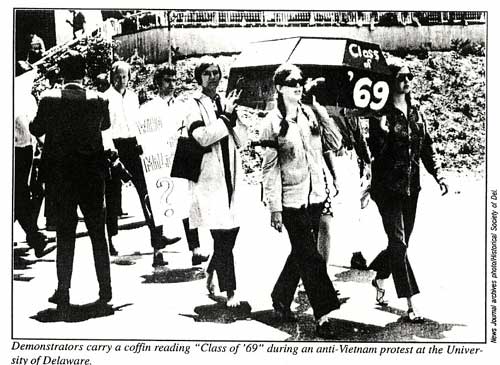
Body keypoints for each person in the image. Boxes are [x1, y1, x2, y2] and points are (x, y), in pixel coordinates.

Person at [260, 63, 342, 337]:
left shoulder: (310, 115)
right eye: (292, 82)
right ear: (280, 88)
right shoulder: (271, 122)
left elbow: (335, 143)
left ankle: (281, 296)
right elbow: (269, 170)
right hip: (291, 201)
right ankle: (324, 315)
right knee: (311, 256)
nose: (298, 86)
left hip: (316, 195)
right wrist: (275, 209)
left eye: (300, 82)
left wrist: (322, 113)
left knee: (301, 252)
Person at [29, 51, 113, 311]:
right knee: (98, 233)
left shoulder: (49, 99)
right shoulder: (99, 100)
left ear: (61, 73)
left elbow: (35, 129)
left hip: (61, 179)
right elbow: (105, 126)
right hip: (92, 177)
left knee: (65, 234)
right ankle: (106, 288)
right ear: (84, 72)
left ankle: (63, 289)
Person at [367, 62, 449, 322]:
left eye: (410, 76)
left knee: (400, 244)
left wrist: (439, 175)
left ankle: (380, 275)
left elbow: (426, 147)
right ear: (390, 82)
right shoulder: (380, 113)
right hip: (387, 188)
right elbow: (375, 156)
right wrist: (380, 134)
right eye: (401, 77)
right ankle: (411, 304)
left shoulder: (416, 111)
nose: (407, 80)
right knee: (399, 242)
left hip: (412, 187)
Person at [102, 61, 180, 267]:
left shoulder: (134, 97)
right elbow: (104, 130)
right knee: (111, 196)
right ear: (112, 77)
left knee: (147, 194)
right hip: (114, 148)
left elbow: (140, 124)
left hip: (133, 147)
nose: (121, 80)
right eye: (117, 76)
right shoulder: (105, 98)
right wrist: (111, 153)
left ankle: (157, 239)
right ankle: (109, 239)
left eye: (124, 76)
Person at [184, 56, 247, 307]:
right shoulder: (192, 105)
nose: (213, 77)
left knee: (232, 231)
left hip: (232, 174)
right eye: (207, 73)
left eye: (216, 72)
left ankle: (211, 270)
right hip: (209, 179)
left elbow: (243, 140)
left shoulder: (226, 102)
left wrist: (234, 117)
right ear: (198, 78)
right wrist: (226, 119)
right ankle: (230, 291)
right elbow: (201, 137)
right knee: (221, 234)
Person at [150, 65, 209, 266]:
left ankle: (196, 249)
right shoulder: (148, 108)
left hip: (180, 156)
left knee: (187, 203)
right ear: (158, 83)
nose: (172, 84)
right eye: (167, 80)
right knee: (159, 202)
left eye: (174, 80)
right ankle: (157, 251)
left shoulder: (183, 106)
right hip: (159, 161)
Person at [14, 71, 54, 257]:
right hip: (15, 150)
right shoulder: (13, 94)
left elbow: (36, 125)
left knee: (25, 193)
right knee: (21, 194)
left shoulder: (29, 98)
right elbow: (25, 123)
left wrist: (44, 144)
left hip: (27, 149)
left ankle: (33, 235)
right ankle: (35, 238)